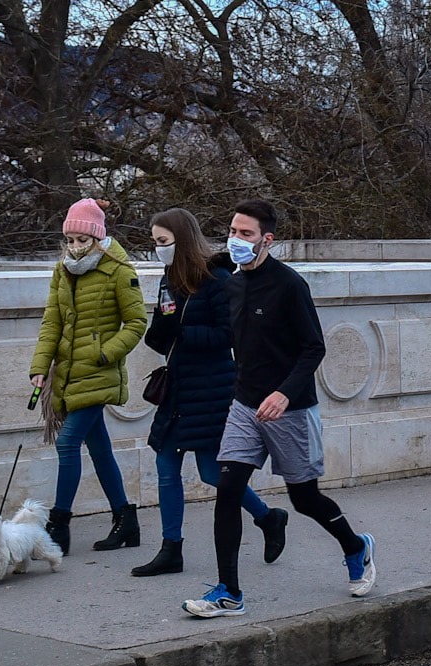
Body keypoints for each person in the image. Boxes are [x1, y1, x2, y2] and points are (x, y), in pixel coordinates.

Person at [184, 199, 374, 618]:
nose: (235, 240)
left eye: (246, 234)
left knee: (304, 499)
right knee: (227, 489)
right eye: (232, 231)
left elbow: (314, 347)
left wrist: (285, 393)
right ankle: (229, 592)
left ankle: (356, 546)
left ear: (267, 240)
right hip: (244, 404)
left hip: (290, 408)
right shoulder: (231, 283)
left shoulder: (289, 285)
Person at [130, 209, 287, 578]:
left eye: (163, 242)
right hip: (179, 388)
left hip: (211, 388)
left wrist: (184, 333)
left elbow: (228, 335)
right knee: (165, 464)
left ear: (182, 240)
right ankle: (171, 549)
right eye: (155, 243)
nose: (159, 249)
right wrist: (159, 332)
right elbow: (164, 326)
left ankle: (268, 517)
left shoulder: (217, 279)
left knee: (213, 472)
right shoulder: (170, 280)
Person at [29, 198, 147, 554]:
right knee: (99, 448)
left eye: (83, 240)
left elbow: (137, 322)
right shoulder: (62, 270)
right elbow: (52, 321)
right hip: (66, 373)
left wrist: (104, 353)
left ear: (98, 238)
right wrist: (39, 366)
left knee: (67, 443)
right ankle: (126, 520)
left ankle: (58, 525)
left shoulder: (118, 270)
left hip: (98, 374)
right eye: (71, 240)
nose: (76, 247)